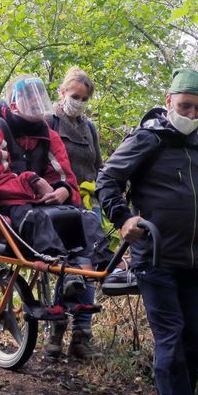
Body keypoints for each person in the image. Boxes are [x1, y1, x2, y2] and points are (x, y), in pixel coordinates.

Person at [96, 68, 198, 395]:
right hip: (155, 259)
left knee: (194, 345)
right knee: (170, 339)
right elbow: (107, 180)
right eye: (185, 106)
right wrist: (123, 218)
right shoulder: (147, 139)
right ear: (169, 101)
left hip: (196, 261)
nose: (191, 115)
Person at [0, 75, 111, 359]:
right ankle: (61, 268)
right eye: (29, 100)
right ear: (15, 102)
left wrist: (62, 190)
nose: (35, 105)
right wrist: (32, 183)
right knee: (41, 220)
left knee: (83, 217)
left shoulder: (48, 133)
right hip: (11, 204)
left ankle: (98, 267)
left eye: (38, 100)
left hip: (44, 202)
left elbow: (63, 175)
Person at [50, 66, 137, 294]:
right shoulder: (50, 121)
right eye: (74, 96)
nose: (78, 102)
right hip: (61, 203)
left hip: (89, 203)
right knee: (70, 264)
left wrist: (115, 191)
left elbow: (99, 166)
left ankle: (82, 326)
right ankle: (58, 322)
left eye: (84, 98)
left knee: (92, 258)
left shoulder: (88, 128)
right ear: (62, 92)